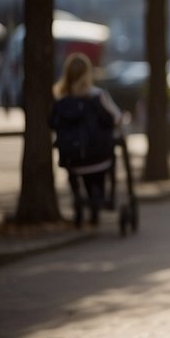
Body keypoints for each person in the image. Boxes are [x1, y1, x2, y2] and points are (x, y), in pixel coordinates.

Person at [50, 52, 122, 226]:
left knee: (77, 166)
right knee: (99, 167)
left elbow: (52, 123)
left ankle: (79, 199)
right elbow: (116, 118)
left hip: (72, 160)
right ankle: (97, 198)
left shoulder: (62, 101)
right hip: (99, 157)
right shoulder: (97, 96)